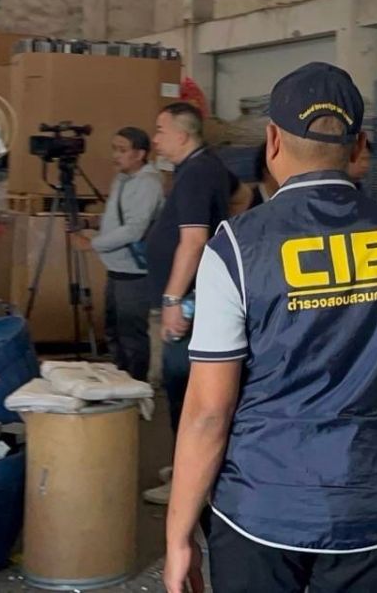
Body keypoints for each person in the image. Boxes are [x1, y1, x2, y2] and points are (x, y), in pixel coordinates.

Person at [164, 62, 377, 593]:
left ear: (272, 141)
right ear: (359, 146)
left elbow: (208, 412)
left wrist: (178, 535)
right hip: (369, 506)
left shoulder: (236, 247)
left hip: (259, 511)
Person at [144, 101, 237, 505]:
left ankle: (189, 482)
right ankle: (188, 466)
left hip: (188, 304)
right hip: (194, 298)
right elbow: (241, 193)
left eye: (160, 131)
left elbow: (194, 240)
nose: (155, 139)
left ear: (182, 135)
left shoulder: (198, 172)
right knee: (183, 390)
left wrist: (172, 299)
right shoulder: (203, 167)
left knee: (185, 392)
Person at [74, 127, 163, 382]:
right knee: (114, 329)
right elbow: (119, 218)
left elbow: (134, 229)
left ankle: (136, 386)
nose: (116, 155)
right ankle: (119, 381)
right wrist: (93, 223)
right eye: (114, 149)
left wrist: (92, 244)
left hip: (135, 271)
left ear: (140, 154)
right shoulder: (123, 179)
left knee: (131, 333)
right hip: (117, 269)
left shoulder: (147, 184)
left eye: (122, 150)